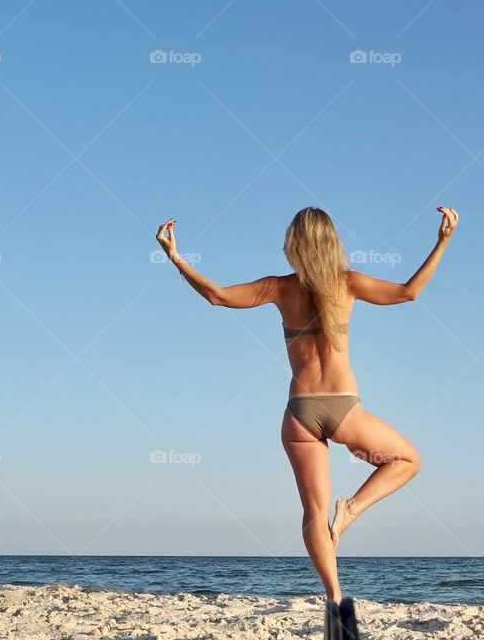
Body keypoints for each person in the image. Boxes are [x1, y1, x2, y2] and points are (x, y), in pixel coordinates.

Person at [155, 204, 459, 600]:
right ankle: (351, 508)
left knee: (314, 513)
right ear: (332, 243)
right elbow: (409, 292)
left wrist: (175, 256)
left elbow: (216, 296)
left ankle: (334, 596)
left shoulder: (279, 287)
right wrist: (443, 241)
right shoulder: (348, 283)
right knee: (407, 460)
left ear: (293, 246)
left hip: (300, 413)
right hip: (344, 408)